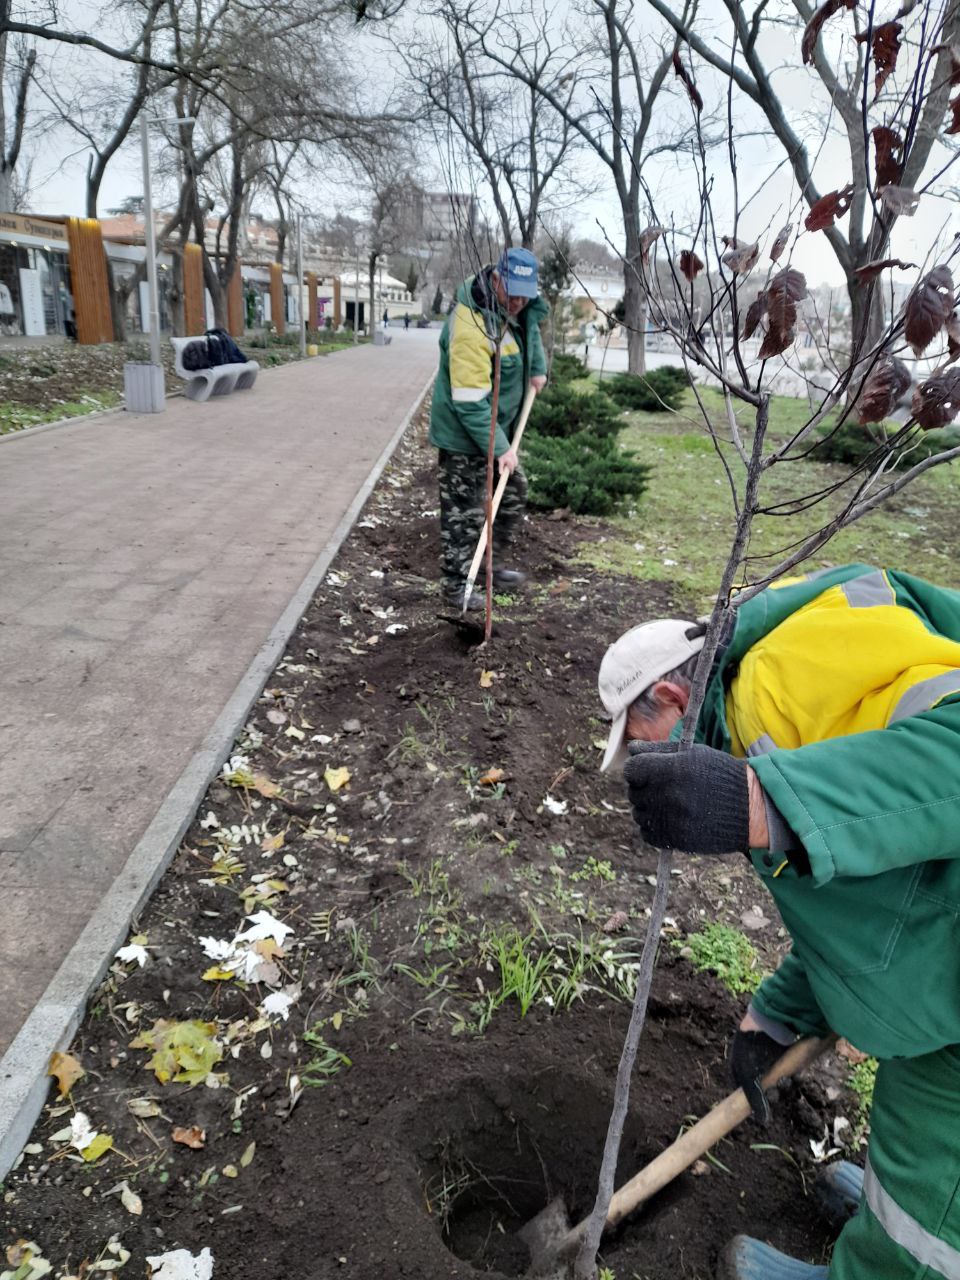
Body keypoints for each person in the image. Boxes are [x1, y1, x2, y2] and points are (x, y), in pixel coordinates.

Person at [597, 565, 960, 1280]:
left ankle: (896, 1252)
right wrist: (781, 1010)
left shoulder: (776, 690)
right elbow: (884, 897)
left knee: (935, 1154)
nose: (647, 765)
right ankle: (897, 1211)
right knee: (919, 1133)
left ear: (673, 695)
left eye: (642, 743)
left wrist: (763, 802)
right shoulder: (757, 707)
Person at [428, 247, 548, 609]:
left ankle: (484, 568)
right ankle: (455, 588)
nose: (517, 302)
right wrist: (500, 448)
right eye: (511, 293)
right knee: (464, 514)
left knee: (510, 497)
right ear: (495, 279)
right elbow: (470, 403)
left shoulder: (516, 308)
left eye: (524, 296)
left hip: (496, 432)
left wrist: (537, 368)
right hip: (464, 436)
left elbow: (530, 331)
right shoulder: (470, 325)